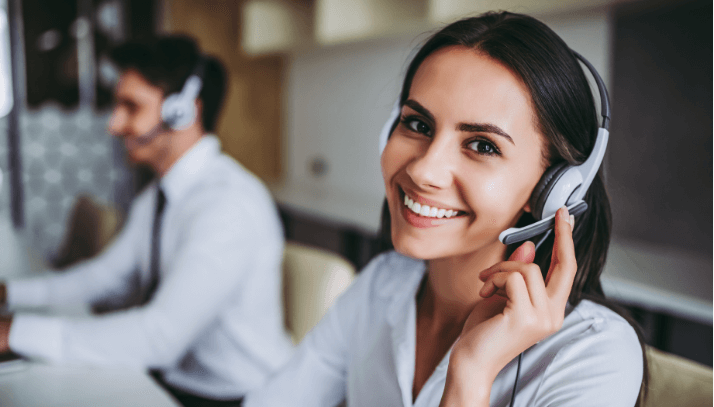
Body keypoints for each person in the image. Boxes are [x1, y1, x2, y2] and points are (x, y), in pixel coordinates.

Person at [244, 12, 647, 407]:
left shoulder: (594, 356)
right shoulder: (382, 286)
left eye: (483, 145)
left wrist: (472, 372)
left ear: (552, 188)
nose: (423, 170)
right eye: (418, 124)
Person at [0, 36, 293, 406]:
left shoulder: (227, 204)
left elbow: (159, 338)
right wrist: (9, 294)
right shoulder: (158, 196)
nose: (114, 124)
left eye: (131, 107)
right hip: (178, 383)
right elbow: (104, 277)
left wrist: (15, 334)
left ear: (183, 111)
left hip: (238, 397)